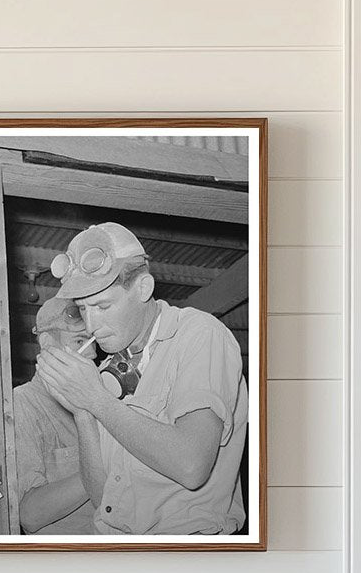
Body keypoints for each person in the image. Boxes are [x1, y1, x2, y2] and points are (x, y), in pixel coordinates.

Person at [36, 222, 247, 535]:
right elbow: (104, 502)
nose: (91, 325)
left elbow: (191, 466)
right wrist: (82, 410)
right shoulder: (111, 368)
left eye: (103, 306)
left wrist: (96, 399)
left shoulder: (198, 334)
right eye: (83, 309)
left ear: (143, 288)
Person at [13, 297, 98, 534]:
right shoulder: (23, 404)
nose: (92, 353)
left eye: (94, 341)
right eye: (80, 340)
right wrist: (102, 468)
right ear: (48, 343)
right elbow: (29, 514)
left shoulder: (99, 400)